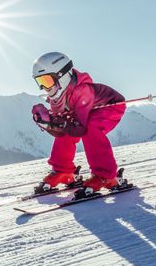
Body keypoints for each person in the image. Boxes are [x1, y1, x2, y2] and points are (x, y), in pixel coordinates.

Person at [30, 52, 128, 197]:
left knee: (90, 129)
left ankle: (105, 175)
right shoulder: (56, 98)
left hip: (109, 107)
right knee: (67, 129)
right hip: (84, 110)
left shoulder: (82, 90)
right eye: (40, 82)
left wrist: (56, 123)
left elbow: (80, 129)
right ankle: (63, 171)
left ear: (62, 76)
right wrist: (47, 124)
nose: (44, 87)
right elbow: (62, 131)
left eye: (47, 80)